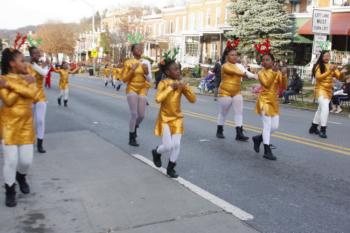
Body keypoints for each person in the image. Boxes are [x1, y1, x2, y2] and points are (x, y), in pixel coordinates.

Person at [0, 48, 38, 207]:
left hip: (26, 126)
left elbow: (34, 96)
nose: (25, 63)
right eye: (22, 60)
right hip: (8, 126)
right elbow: (8, 101)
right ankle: (10, 190)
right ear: (12, 63)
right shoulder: (2, 78)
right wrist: (21, 83)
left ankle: (21, 176)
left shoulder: (29, 76)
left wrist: (13, 85)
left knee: (26, 161)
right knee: (11, 161)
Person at [152, 50, 196, 178]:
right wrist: (171, 87)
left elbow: (193, 100)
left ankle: (171, 167)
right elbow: (158, 99)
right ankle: (157, 152)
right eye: (175, 69)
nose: (178, 71)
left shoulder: (181, 84)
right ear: (167, 72)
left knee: (176, 144)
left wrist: (185, 88)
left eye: (178, 69)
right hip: (165, 118)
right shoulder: (163, 83)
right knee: (168, 145)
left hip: (177, 118)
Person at [252, 53, 287, 160]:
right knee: (267, 126)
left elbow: (283, 86)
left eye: (268, 60)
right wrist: (275, 73)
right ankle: (267, 150)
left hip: (274, 103)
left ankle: (258, 138)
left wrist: (284, 75)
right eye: (264, 60)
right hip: (264, 101)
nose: (265, 61)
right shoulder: (261, 73)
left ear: (273, 61)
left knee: (274, 127)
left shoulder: (277, 72)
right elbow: (266, 84)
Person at [215, 40, 250, 142]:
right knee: (223, 112)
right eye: (232, 55)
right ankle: (219, 130)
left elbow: (245, 72)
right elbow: (239, 73)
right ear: (227, 57)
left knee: (239, 112)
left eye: (236, 55)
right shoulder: (225, 66)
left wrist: (255, 75)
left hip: (237, 92)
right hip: (225, 92)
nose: (235, 57)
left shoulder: (239, 65)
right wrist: (246, 74)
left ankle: (239, 133)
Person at [308, 51, 347, 138]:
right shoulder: (319, 66)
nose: (327, 57)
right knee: (325, 108)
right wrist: (330, 71)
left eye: (328, 56)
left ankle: (313, 127)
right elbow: (318, 77)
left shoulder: (331, 66)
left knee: (320, 109)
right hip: (320, 90)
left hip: (329, 90)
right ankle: (323, 129)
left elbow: (340, 77)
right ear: (321, 57)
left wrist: (342, 72)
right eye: (325, 56)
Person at [122, 43, 152, 146]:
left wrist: (146, 72)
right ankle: (132, 138)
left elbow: (149, 79)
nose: (139, 49)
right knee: (134, 114)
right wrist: (132, 70)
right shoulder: (128, 63)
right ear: (132, 51)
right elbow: (124, 79)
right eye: (137, 48)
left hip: (142, 88)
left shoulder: (146, 62)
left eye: (141, 48)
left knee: (142, 115)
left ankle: (134, 126)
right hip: (132, 88)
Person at [27, 46, 50, 153]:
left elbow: (44, 73)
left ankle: (40, 144)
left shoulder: (43, 66)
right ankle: (29, 141)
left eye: (39, 53)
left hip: (40, 96)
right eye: (35, 53)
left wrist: (43, 65)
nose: (38, 54)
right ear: (31, 55)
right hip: (29, 97)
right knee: (29, 121)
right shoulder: (26, 66)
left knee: (40, 121)